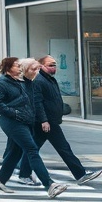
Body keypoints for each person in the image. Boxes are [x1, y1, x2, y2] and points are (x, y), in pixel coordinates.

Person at [0, 57, 68, 199]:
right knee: (31, 149)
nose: (19, 67)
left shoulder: (21, 82)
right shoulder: (1, 83)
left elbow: (32, 102)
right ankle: (49, 184)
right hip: (12, 122)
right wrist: (14, 113)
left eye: (20, 65)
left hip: (25, 121)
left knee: (15, 152)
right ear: (8, 68)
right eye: (16, 65)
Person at [16, 55, 100, 186]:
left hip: (49, 121)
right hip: (47, 122)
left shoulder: (49, 79)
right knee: (63, 148)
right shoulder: (39, 80)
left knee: (33, 149)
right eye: (50, 65)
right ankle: (80, 174)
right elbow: (37, 102)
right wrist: (44, 120)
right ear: (41, 66)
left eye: (55, 65)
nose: (53, 67)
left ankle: (24, 174)